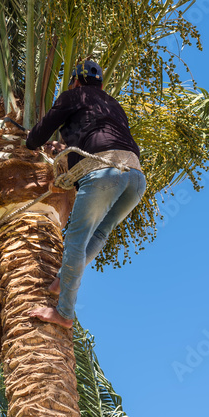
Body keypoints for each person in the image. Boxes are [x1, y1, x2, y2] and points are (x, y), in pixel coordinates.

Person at [24, 60, 147, 329]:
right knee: (100, 233)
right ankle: (61, 280)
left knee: (75, 242)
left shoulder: (74, 95)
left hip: (105, 172)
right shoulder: (112, 104)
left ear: (76, 82)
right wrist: (64, 147)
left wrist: (30, 142)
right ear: (100, 85)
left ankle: (64, 314)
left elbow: (39, 134)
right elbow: (97, 136)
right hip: (135, 178)